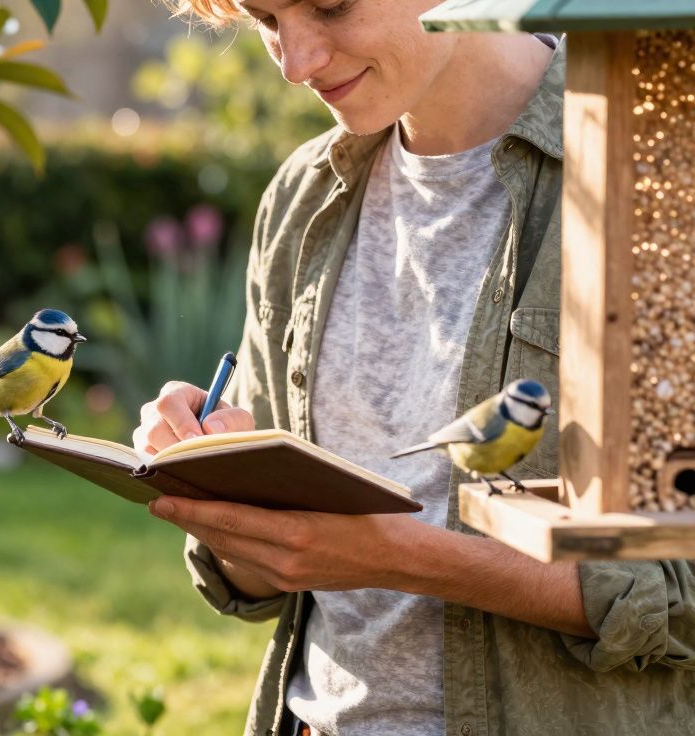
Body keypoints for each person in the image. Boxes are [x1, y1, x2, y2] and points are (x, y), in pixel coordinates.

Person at [134, 2, 695, 735]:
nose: (295, 62)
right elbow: (269, 581)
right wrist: (217, 479)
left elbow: (678, 587)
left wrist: (400, 558)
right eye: (268, 18)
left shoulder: (655, 181)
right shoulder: (304, 198)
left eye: (330, 5)